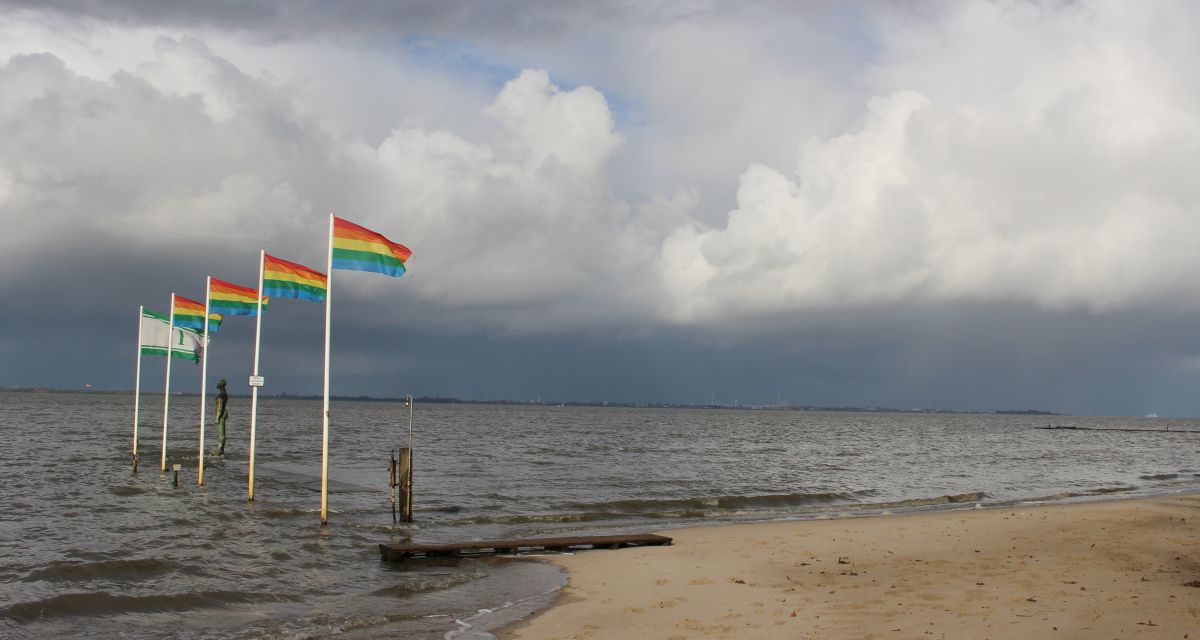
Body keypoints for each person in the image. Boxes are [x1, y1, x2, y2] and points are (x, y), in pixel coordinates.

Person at [215, 379, 229, 455]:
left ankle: (220, 450)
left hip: (221, 415)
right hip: (221, 414)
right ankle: (220, 448)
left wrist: (217, 418)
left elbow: (220, 407)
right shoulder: (223, 393)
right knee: (220, 433)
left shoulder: (222, 394)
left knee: (221, 434)